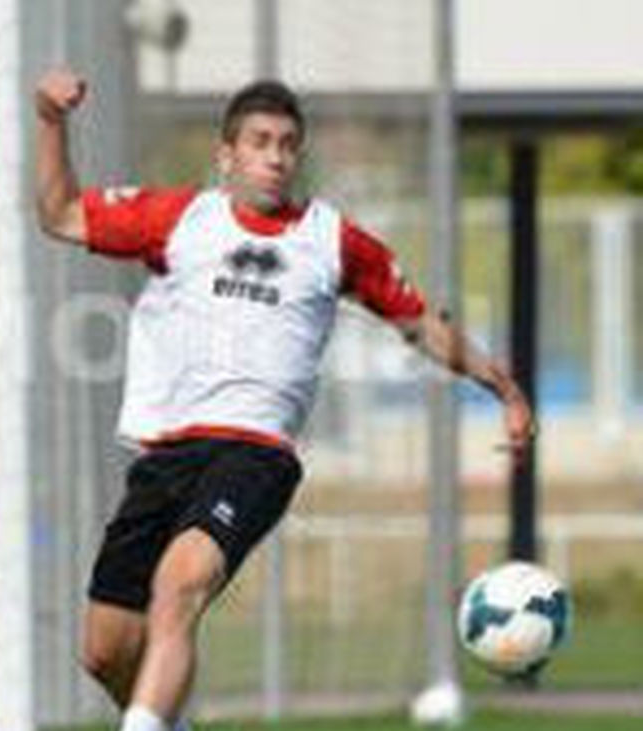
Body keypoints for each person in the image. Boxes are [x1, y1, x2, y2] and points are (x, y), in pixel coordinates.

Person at [33, 69, 535, 731]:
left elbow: (419, 322)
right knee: (104, 649)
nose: (275, 156)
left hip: (255, 452)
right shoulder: (182, 218)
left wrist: (500, 384)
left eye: (288, 144)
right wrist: (48, 117)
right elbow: (61, 214)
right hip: (164, 454)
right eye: (260, 141)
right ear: (227, 155)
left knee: (178, 585)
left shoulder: (330, 240)